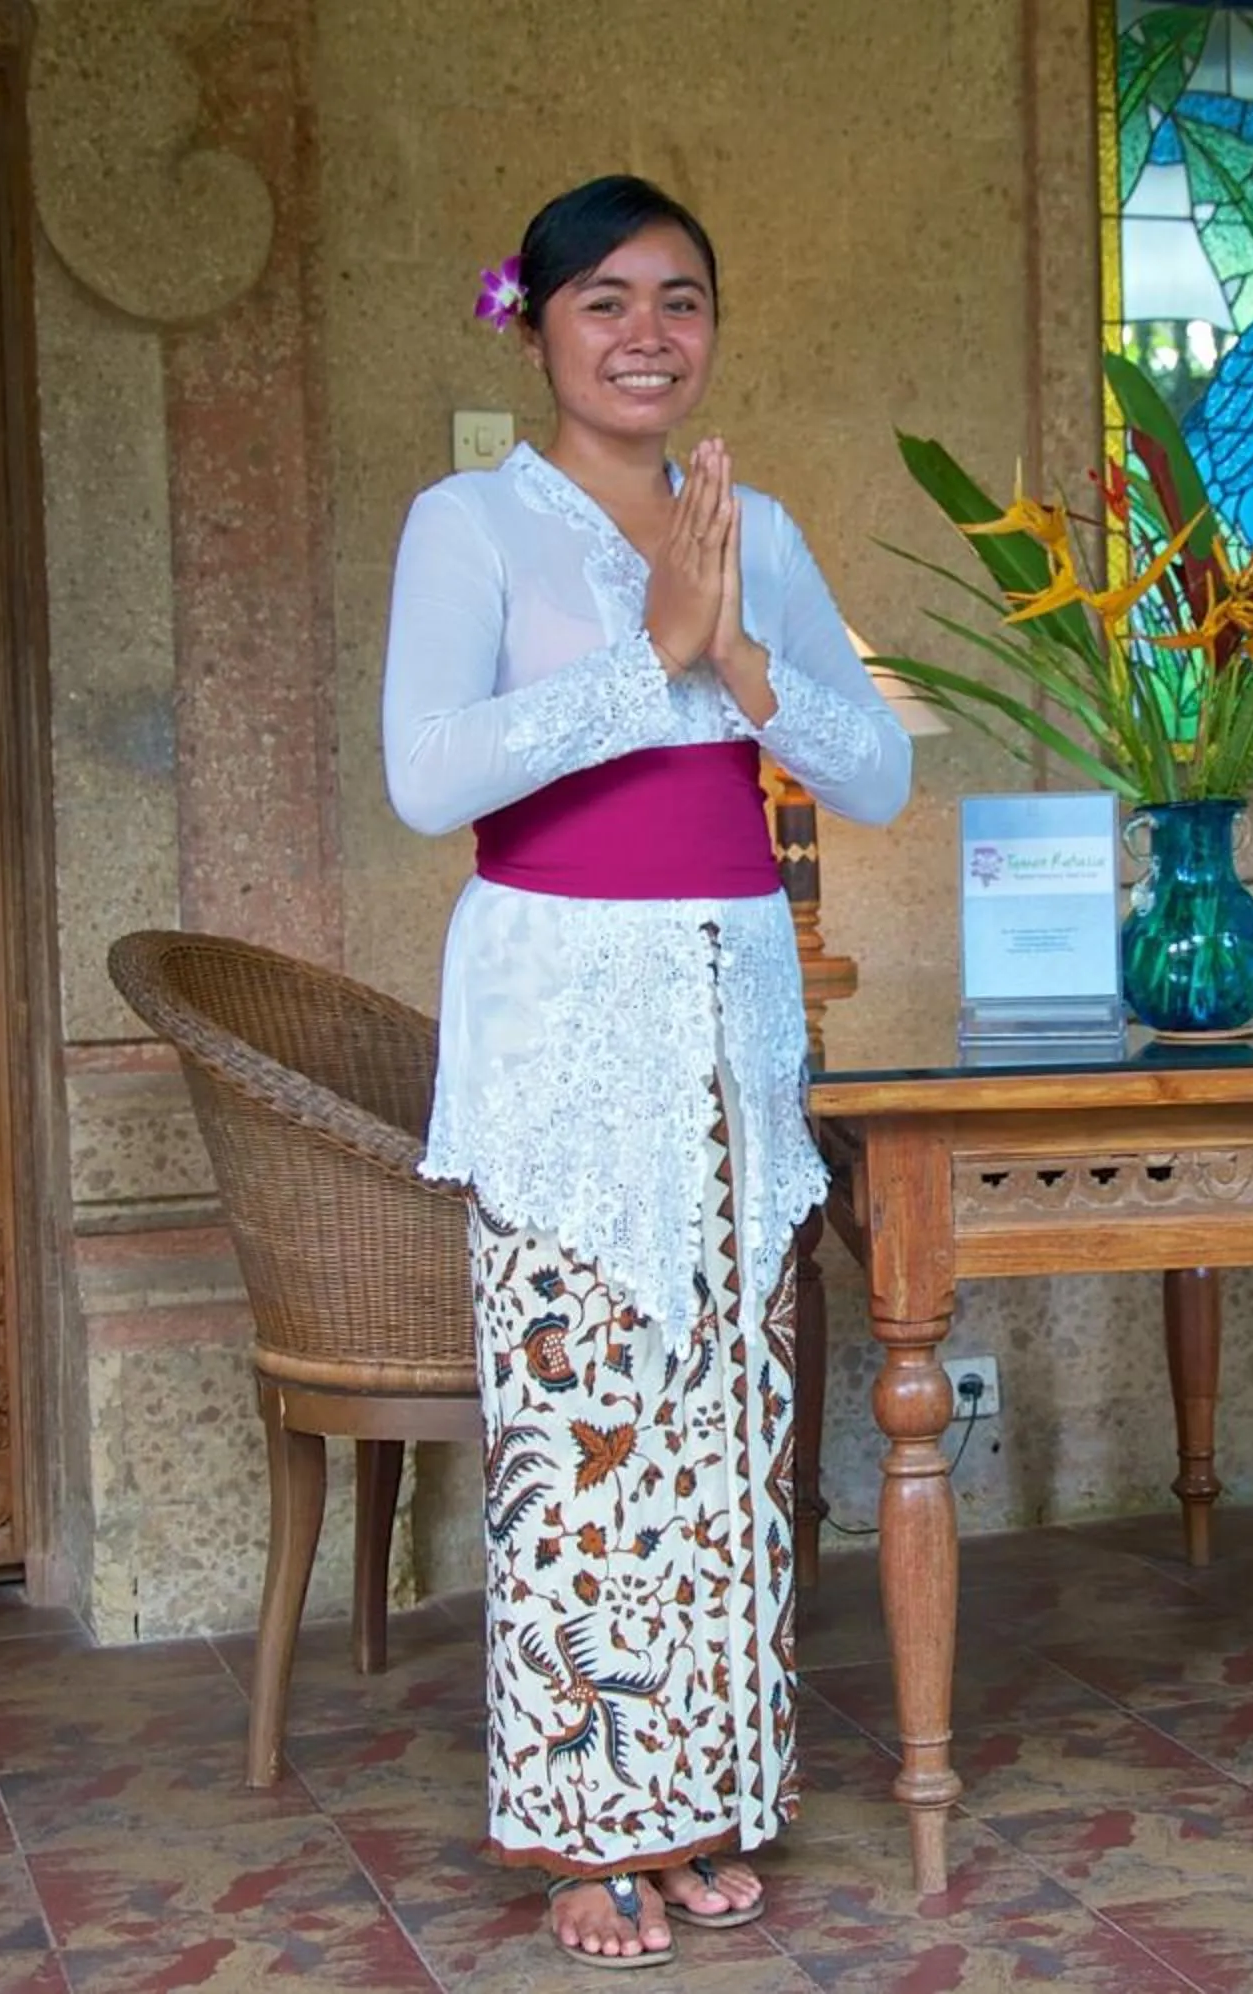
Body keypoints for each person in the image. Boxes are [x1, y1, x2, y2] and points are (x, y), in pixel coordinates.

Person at [380, 174, 912, 1968]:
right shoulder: (471, 523)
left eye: (679, 299)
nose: (646, 334)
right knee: (581, 1417)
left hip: (730, 1006)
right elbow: (429, 774)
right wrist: (651, 656)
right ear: (533, 326)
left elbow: (877, 771)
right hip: (560, 1013)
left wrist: (740, 650)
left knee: (725, 1422)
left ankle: (698, 1804)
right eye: (603, 300)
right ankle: (585, 1832)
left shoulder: (759, 528)